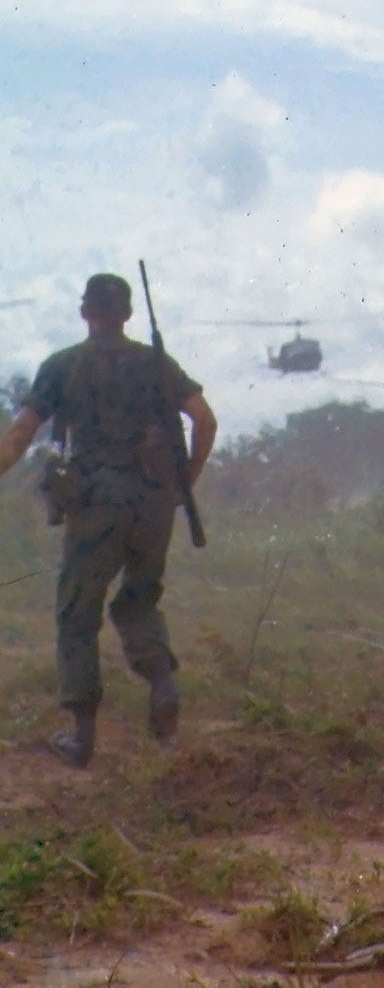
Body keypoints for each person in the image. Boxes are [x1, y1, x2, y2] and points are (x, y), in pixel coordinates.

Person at [0, 273, 218, 769]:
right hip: (154, 504)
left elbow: (20, 434)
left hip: (98, 504)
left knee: (77, 614)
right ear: (127, 315)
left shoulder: (61, 367)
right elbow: (205, 420)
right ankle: (162, 683)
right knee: (139, 602)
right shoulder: (156, 365)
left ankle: (81, 737)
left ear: (85, 313)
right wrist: (185, 484)